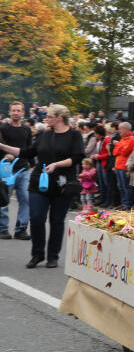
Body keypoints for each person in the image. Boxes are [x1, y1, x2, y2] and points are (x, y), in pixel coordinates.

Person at [0, 104, 84, 269]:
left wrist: (56, 164)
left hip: (62, 184)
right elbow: (28, 152)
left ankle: (53, 256)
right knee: (37, 218)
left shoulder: (74, 135)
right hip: (39, 182)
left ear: (59, 118)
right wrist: (2, 146)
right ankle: (37, 254)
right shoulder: (45, 135)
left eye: (50, 116)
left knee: (57, 221)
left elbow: (78, 157)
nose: (47, 119)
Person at [0, 101, 33, 240]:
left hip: (23, 169)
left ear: (23, 113)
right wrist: (4, 156)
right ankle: (2, 229)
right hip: (6, 169)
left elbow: (30, 148)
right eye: (13, 110)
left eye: (18, 110)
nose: (15, 113)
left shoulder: (27, 130)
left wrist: (31, 164)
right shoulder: (2, 128)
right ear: (10, 112)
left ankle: (21, 229)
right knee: (4, 199)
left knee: (25, 199)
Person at [112, 122, 134, 208]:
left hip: (125, 167)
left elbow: (124, 152)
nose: (119, 131)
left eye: (120, 129)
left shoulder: (132, 139)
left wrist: (118, 145)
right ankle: (123, 203)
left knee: (126, 186)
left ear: (126, 129)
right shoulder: (123, 139)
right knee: (120, 186)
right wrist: (120, 146)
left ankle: (128, 203)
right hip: (118, 166)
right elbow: (115, 152)